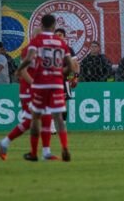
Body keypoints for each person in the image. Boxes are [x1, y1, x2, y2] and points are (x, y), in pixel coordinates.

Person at [14, 14, 78, 162]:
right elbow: (70, 66)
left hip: (41, 82)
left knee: (36, 117)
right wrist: (60, 73)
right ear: (54, 26)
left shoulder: (37, 41)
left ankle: (34, 152)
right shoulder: (61, 43)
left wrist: (19, 70)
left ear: (42, 26)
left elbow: (29, 59)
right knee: (58, 117)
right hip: (56, 83)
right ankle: (64, 146)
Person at [0, 27, 39, 160]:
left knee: (34, 120)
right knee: (33, 120)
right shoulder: (28, 50)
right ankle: (41, 152)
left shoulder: (40, 50)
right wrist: (35, 84)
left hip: (34, 89)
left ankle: (6, 142)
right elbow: (23, 71)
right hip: (28, 90)